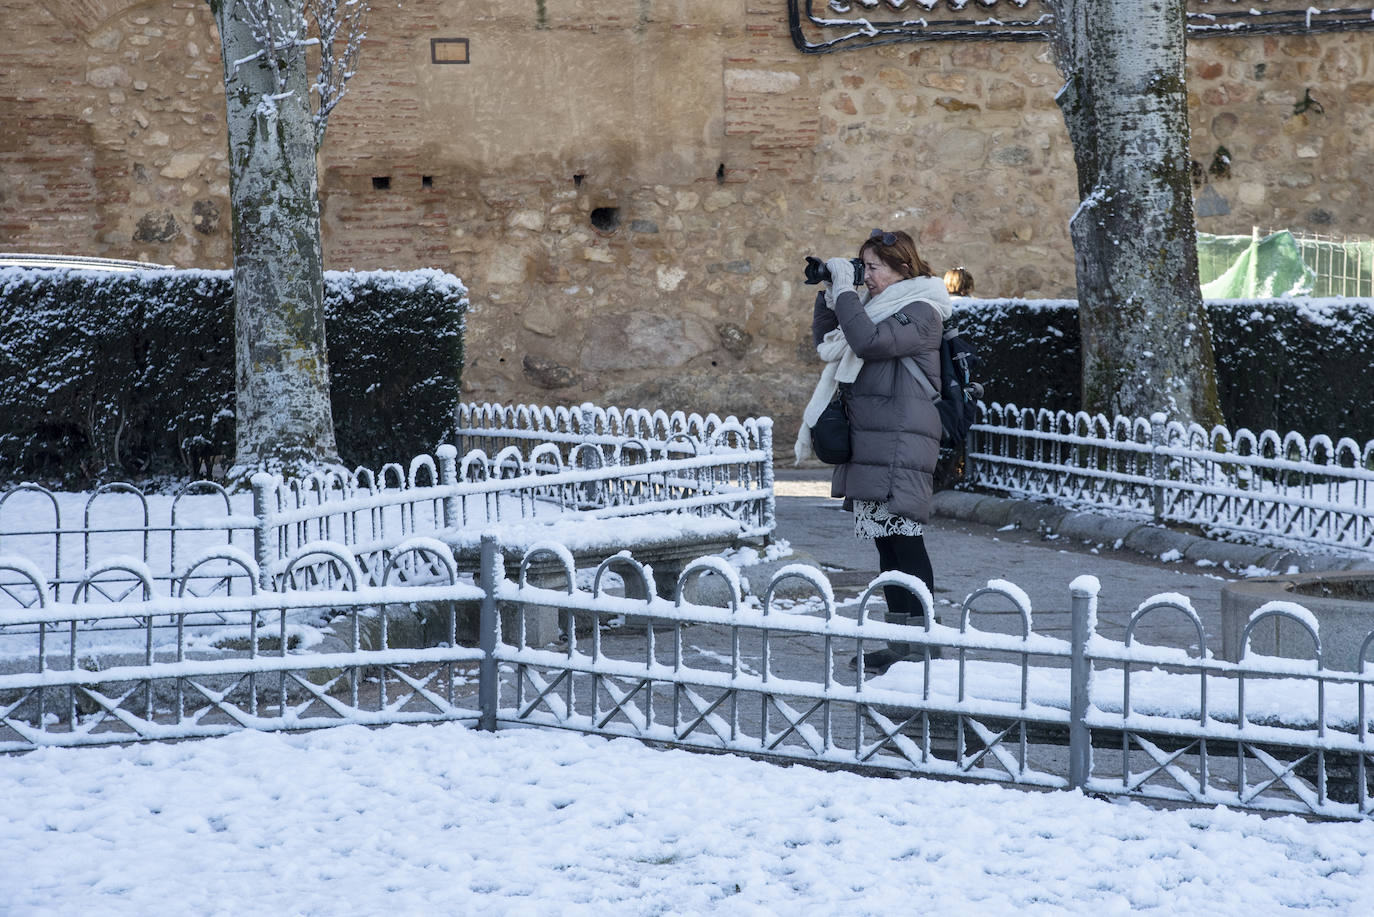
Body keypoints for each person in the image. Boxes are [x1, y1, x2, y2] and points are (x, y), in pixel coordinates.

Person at [795, 229, 952, 673]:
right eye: (862, 267)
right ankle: (900, 643)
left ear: (904, 268)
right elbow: (831, 344)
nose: (866, 277)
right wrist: (831, 291)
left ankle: (923, 641)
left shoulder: (921, 310)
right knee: (887, 544)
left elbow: (867, 342)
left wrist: (846, 289)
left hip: (902, 439)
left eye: (873, 268)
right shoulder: (877, 307)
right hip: (876, 438)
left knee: (906, 541)